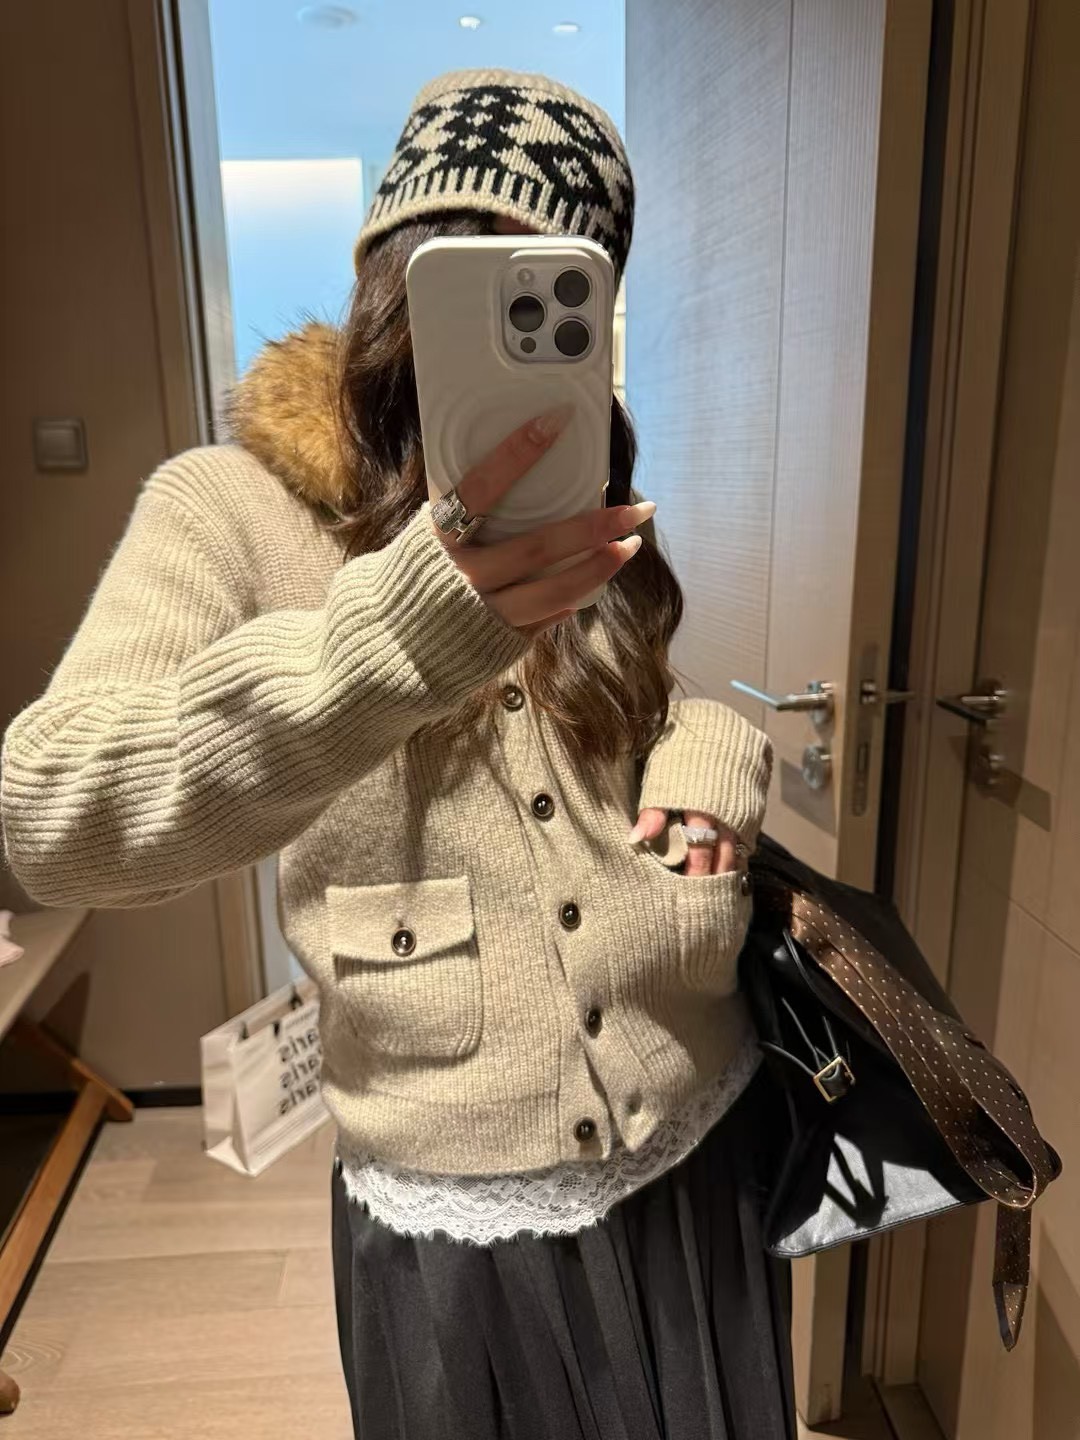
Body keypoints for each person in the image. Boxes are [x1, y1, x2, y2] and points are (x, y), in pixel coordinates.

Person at [1, 70, 795, 1439]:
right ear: (391, 274)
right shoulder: (228, 507)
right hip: (455, 1221)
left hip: (705, 1140)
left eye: (557, 293)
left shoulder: (587, 503)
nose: (504, 333)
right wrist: (398, 638)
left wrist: (712, 757)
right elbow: (53, 812)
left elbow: (655, 707)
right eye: (461, 273)